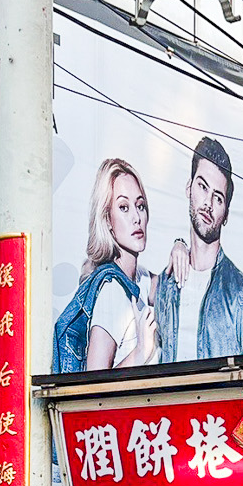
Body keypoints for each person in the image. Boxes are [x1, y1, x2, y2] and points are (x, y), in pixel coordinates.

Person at [152, 137, 243, 362]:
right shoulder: (166, 286)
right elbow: (125, 271)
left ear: (226, 213)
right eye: (202, 186)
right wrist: (179, 243)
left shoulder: (241, 293)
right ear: (188, 188)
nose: (207, 203)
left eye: (218, 198)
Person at [53, 158, 160, 373]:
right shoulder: (112, 292)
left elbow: (177, 289)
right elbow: (94, 383)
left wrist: (180, 245)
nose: (136, 218)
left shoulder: (140, 279)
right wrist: (140, 352)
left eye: (140, 206)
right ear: (108, 221)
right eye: (123, 207)